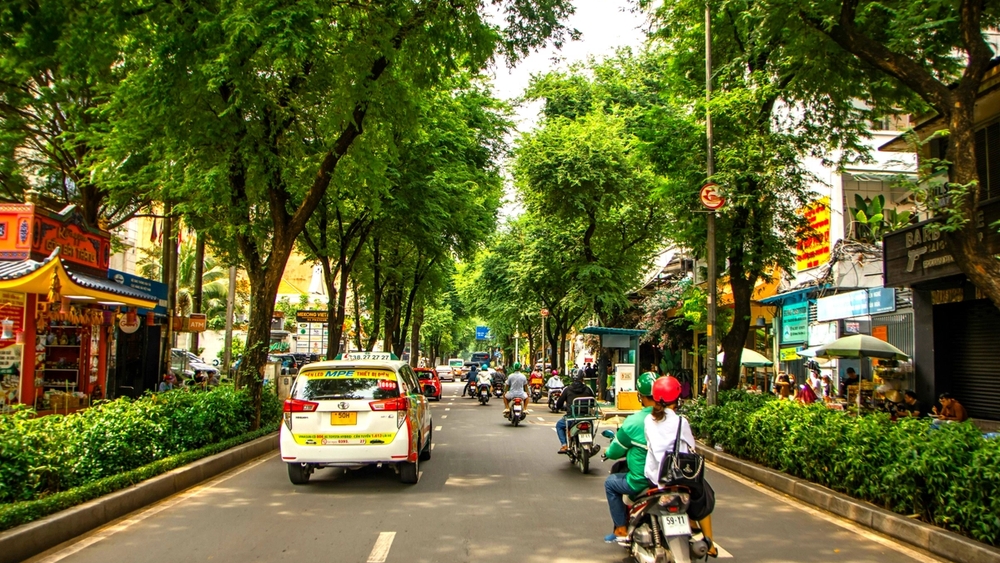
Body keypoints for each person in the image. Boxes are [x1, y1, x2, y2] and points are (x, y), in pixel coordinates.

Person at [644, 376, 717, 557]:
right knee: (703, 492)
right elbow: (690, 448)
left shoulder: (648, 421)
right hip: (679, 477)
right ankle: (710, 542)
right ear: (677, 398)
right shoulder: (681, 422)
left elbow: (651, 447)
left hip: (656, 478)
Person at [602, 372, 657, 544]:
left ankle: (620, 528)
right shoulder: (675, 420)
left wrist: (608, 453)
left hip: (642, 479)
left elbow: (615, 451)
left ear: (640, 396)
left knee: (610, 483)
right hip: (672, 478)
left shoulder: (635, 421)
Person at [554, 372, 595, 453]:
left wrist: (561, 407)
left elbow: (559, 404)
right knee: (591, 424)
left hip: (571, 418)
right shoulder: (588, 389)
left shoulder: (567, 389)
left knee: (559, 425)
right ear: (583, 378)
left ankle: (564, 445)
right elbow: (593, 403)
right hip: (586, 417)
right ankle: (591, 444)